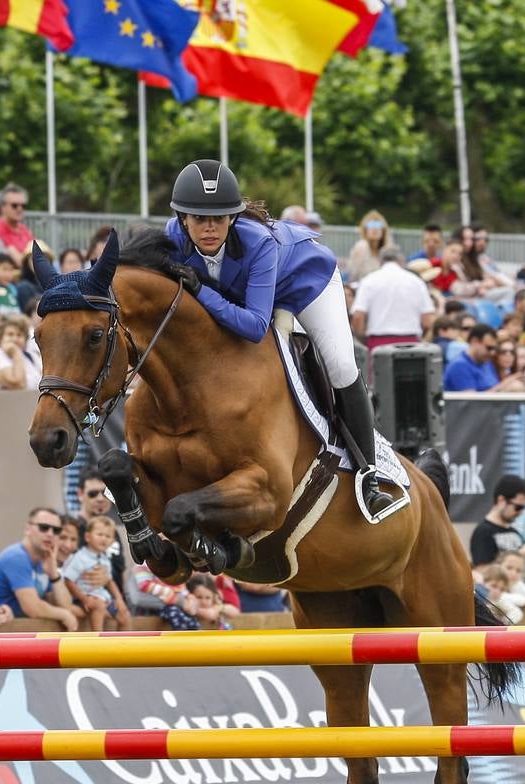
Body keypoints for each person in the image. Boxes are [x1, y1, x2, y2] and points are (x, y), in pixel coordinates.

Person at [165, 159, 395, 520]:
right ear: (182, 219)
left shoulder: (257, 242)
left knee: (340, 364)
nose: (209, 228)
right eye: (198, 219)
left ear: (233, 218)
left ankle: (369, 476)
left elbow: (256, 325)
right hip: (246, 292)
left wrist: (200, 292)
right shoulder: (171, 240)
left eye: (220, 218)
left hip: (306, 284)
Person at [0, 507, 78, 628]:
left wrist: (54, 575)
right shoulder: (16, 556)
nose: (50, 534)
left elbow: (65, 606)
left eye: (56, 530)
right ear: (27, 529)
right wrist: (64, 615)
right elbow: (32, 608)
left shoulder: (45, 560)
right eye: (43, 527)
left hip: (16, 634)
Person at [350, 245, 435, 352]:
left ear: (380, 261)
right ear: (401, 260)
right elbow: (427, 320)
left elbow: (358, 317)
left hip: (378, 343)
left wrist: (364, 340)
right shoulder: (416, 282)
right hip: (411, 342)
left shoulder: (369, 281)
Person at [62, 515, 132, 631]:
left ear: (112, 541)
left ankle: (124, 646)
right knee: (98, 605)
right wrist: (84, 599)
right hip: (83, 599)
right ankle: (97, 639)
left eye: (108, 536)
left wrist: (119, 599)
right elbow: (68, 580)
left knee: (124, 614)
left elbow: (109, 582)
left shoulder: (105, 559)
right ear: (87, 537)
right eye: (100, 535)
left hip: (103, 599)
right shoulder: (80, 557)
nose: (104, 539)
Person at [75, 467, 126, 588]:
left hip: (115, 602)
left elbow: (120, 571)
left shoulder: (113, 531)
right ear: (80, 494)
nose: (100, 498)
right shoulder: (71, 529)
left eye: (105, 493)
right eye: (93, 494)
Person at [469, 474, 525, 569]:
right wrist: (520, 554)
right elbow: (482, 572)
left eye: (524, 508)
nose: (521, 512)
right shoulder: (483, 532)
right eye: (518, 507)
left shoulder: (515, 532)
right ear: (501, 500)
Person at [444, 323, 524, 392]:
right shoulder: (460, 366)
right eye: (489, 348)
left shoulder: (486, 363)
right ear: (475, 342)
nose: (492, 353)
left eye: (494, 349)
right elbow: (471, 404)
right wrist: (508, 381)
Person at [0, 312, 41, 391]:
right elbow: (18, 384)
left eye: (19, 335)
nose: (15, 339)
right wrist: (15, 353)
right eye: (10, 334)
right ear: (1, 337)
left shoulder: (32, 357)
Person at [0, 183, 35, 266]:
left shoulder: (24, 230)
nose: (20, 209)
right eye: (14, 205)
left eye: (23, 205)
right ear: (2, 207)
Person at [346, 210, 393, 282]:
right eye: (371, 225)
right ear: (365, 230)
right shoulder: (361, 247)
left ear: (383, 230)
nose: (375, 228)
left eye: (378, 225)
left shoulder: (388, 249)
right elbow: (354, 276)